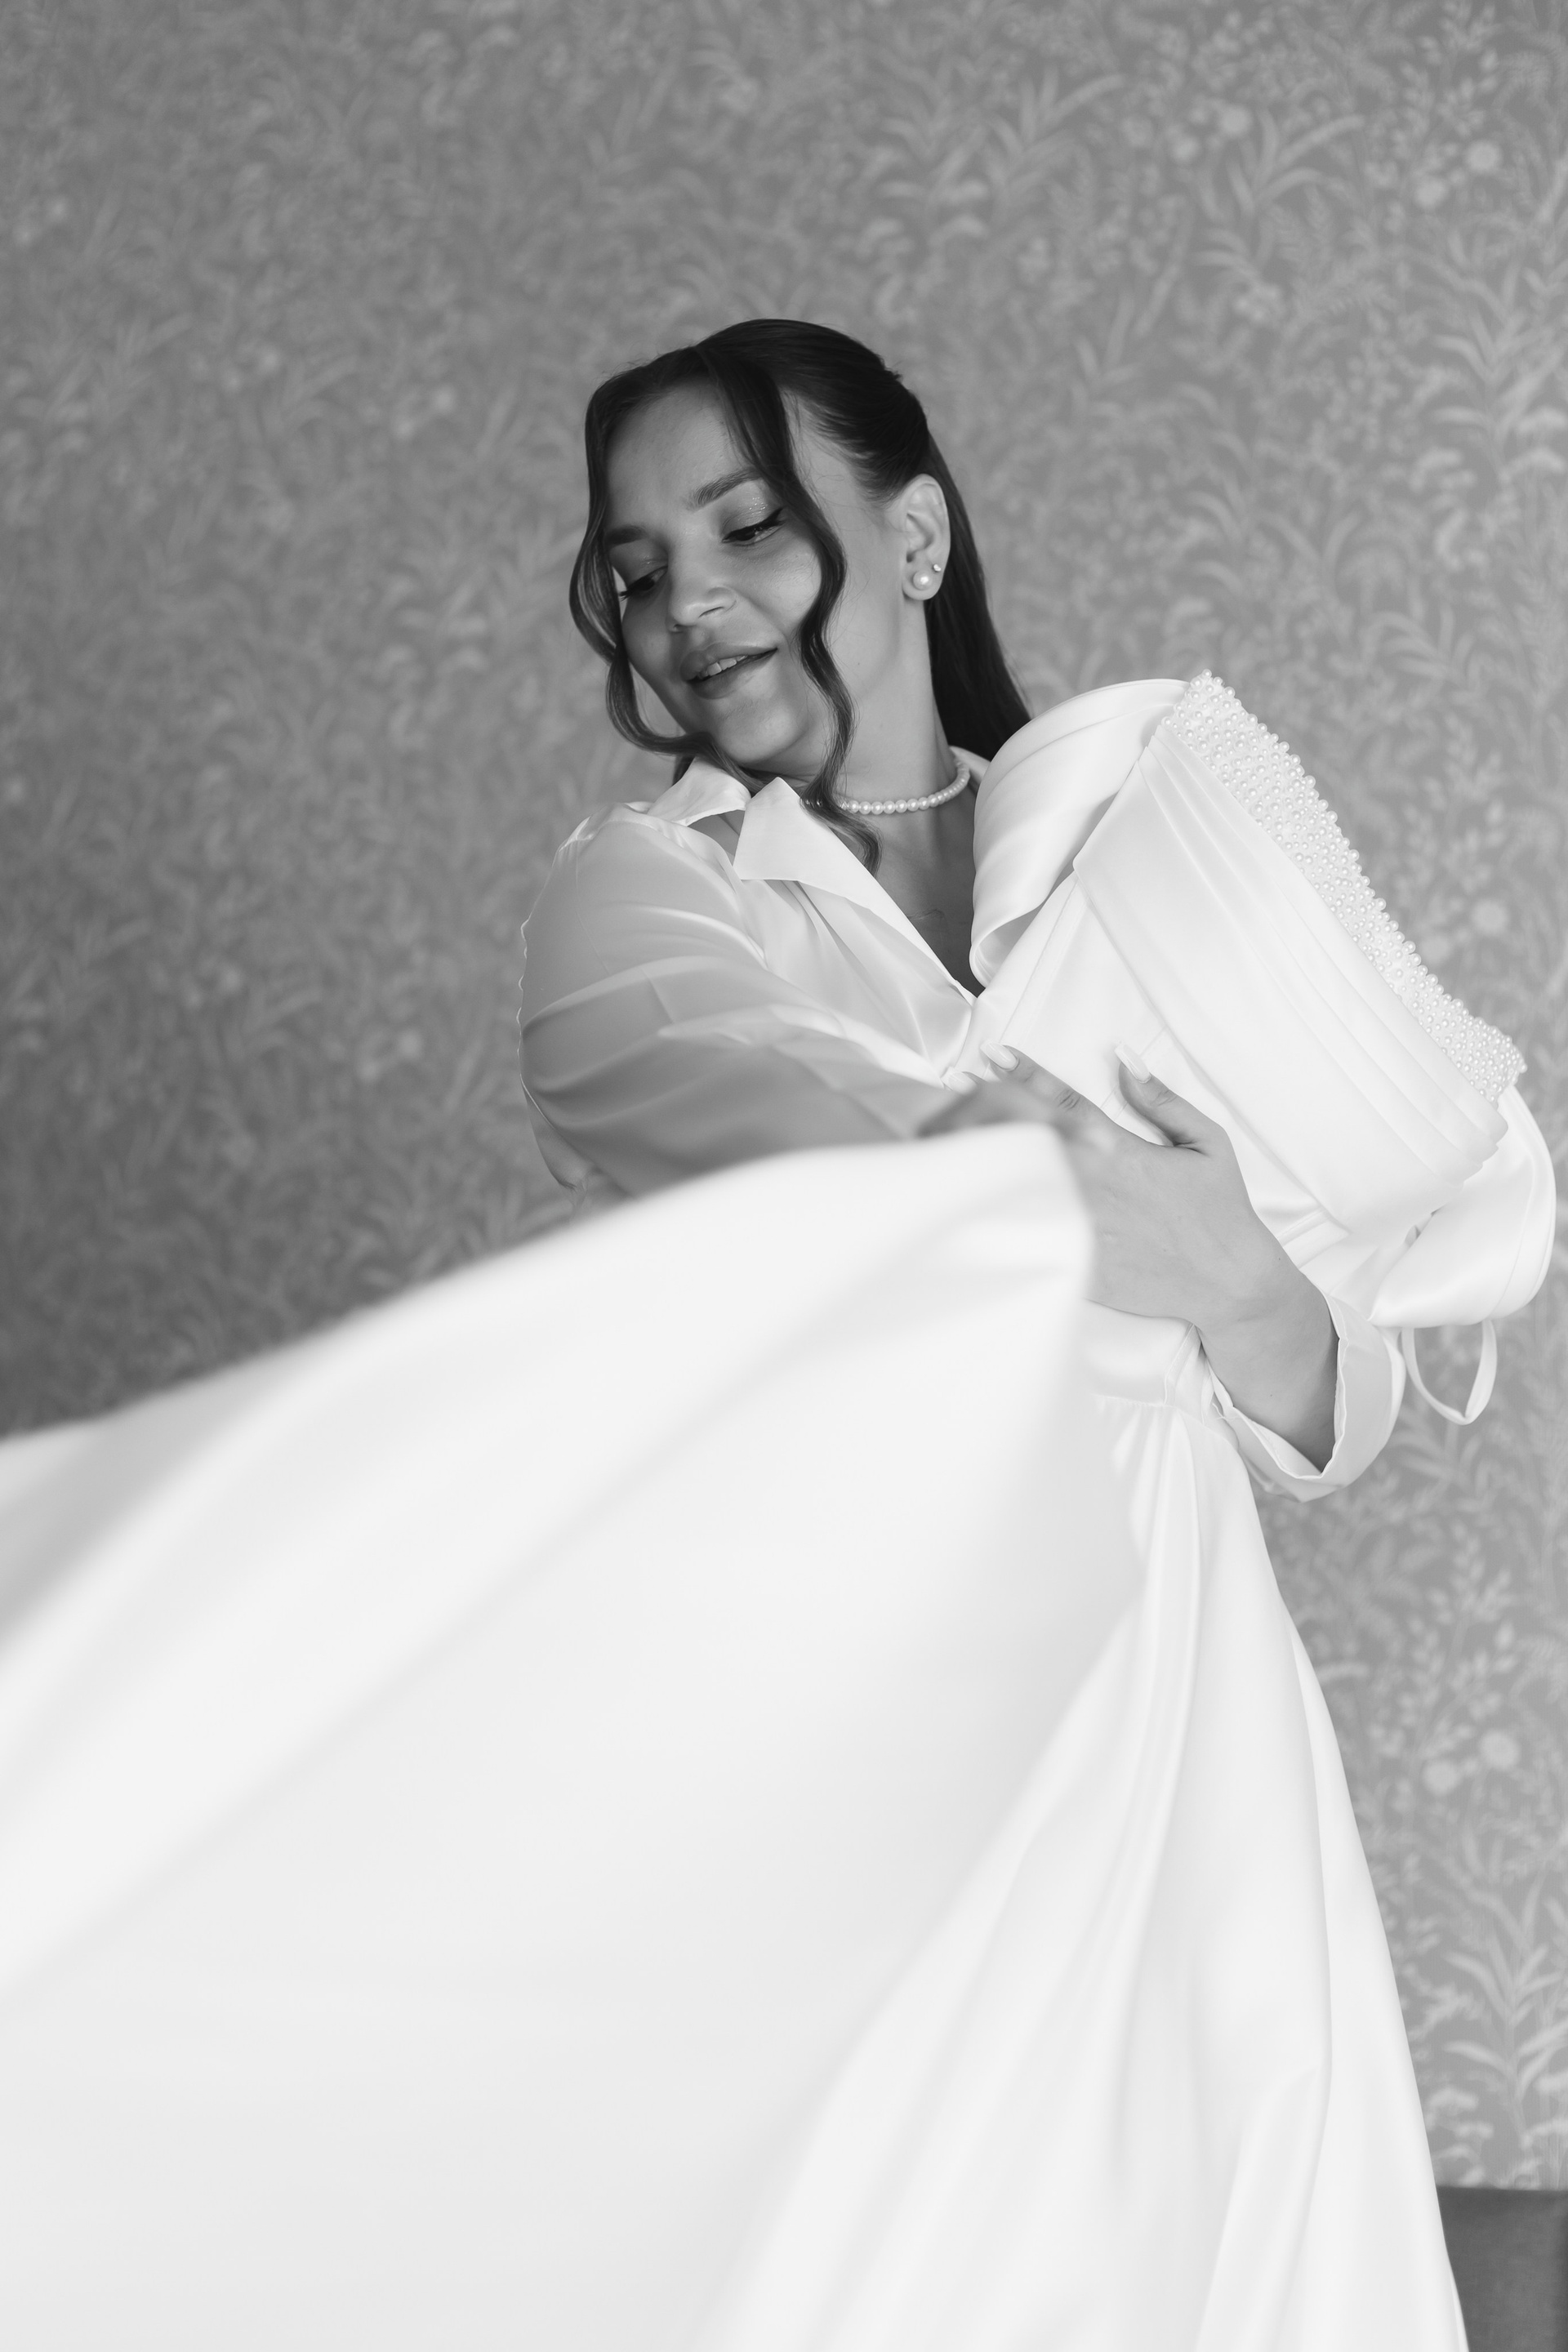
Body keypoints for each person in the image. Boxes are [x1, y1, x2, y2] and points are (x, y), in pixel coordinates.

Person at [515, 318, 1556, 2345]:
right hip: (867, 1728)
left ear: (914, 538)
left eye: (747, 525)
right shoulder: (640, 906)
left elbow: (1318, 1403)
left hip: (1200, 1730)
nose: (687, 603)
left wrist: (1236, 1274)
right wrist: (1165, 1220)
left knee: (1252, 2266)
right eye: (637, 570)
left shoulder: (1140, 853)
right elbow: (884, 1163)